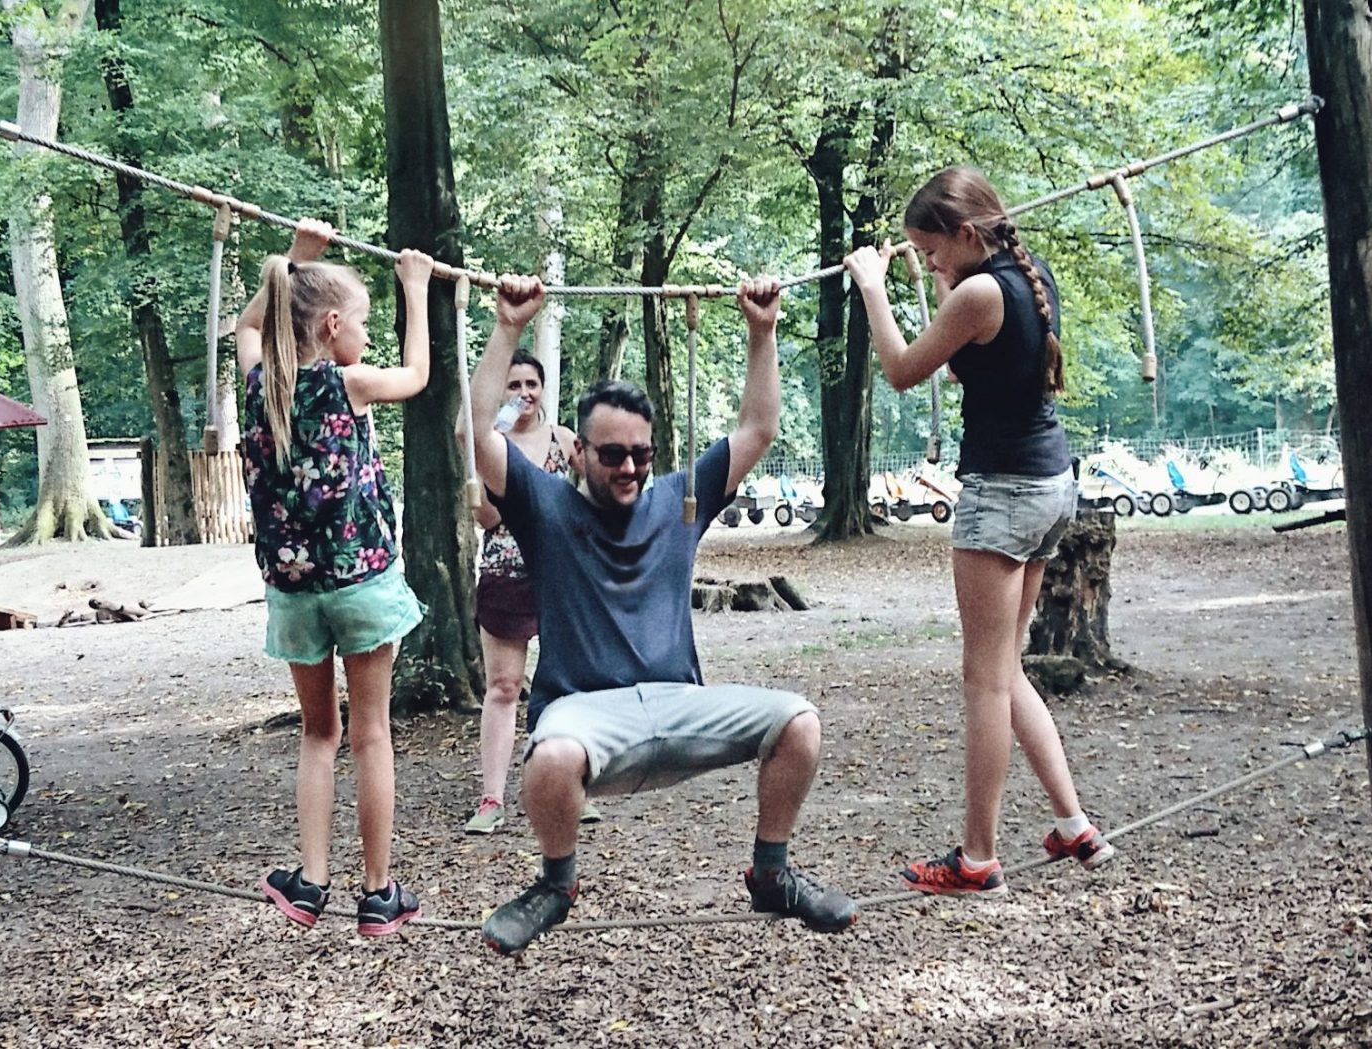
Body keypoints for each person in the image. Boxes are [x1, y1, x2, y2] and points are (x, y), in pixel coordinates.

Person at [467, 274, 858, 955]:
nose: (628, 467)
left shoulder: (679, 499)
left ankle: (772, 872)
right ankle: (555, 885)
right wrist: (507, 327)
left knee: (799, 721)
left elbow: (758, 427)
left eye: (641, 454)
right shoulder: (544, 506)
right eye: (612, 453)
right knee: (549, 759)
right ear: (579, 453)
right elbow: (476, 432)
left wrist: (761, 331)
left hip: (681, 704)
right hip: (588, 713)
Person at [842, 166, 1113, 896]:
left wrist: (872, 284)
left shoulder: (982, 290)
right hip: (1052, 486)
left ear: (966, 235)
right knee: (1007, 667)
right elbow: (964, 365)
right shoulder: (1021, 276)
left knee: (983, 680)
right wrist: (932, 278)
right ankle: (1072, 821)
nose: (926, 261)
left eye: (931, 250)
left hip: (1004, 494)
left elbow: (903, 370)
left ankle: (977, 857)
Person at [236, 221, 435, 936]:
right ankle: (379, 891)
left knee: (319, 734)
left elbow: (247, 325)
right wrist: (414, 289)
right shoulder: (346, 382)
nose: (368, 336)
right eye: (363, 322)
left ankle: (313, 880)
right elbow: (416, 377)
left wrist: (295, 258)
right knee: (371, 735)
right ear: (329, 324)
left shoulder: (259, 384)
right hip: (363, 584)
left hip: (294, 594)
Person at [464, 355, 590, 835]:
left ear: (543, 387)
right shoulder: (490, 446)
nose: (523, 392)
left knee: (572, 683)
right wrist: (496, 431)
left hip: (561, 574)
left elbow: (598, 484)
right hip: (504, 572)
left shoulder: (562, 438)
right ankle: (491, 798)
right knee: (503, 687)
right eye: (513, 382)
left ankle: (577, 786)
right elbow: (485, 517)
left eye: (531, 383)